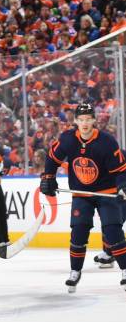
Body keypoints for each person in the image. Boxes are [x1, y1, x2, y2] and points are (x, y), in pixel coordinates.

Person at [40, 103, 126, 292]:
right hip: (81, 193)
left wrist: (122, 186)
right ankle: (75, 271)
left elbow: (121, 170)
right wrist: (48, 177)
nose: (85, 123)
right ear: (76, 121)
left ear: (94, 120)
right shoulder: (67, 139)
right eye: (81, 120)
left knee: (113, 231)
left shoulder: (107, 142)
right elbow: (52, 158)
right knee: (78, 232)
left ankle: (125, 270)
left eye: (88, 119)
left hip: (106, 192)